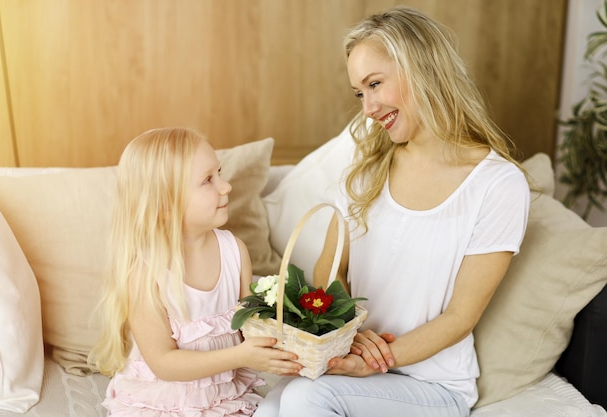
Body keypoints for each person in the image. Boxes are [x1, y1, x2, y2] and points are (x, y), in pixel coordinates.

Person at [254, 6, 530, 417]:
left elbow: (459, 317)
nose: (367, 108)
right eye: (359, 93)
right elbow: (332, 278)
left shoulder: (498, 184)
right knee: (271, 401)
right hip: (354, 364)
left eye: (375, 84)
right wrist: (349, 341)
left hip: (433, 384)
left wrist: (375, 360)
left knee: (306, 397)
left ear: (422, 69)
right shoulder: (365, 171)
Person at [88, 127, 302, 416]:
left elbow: (252, 324)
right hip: (161, 401)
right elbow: (163, 361)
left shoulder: (234, 251)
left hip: (223, 395)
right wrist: (239, 355)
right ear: (164, 205)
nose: (225, 187)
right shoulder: (145, 273)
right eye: (207, 180)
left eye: (220, 173)